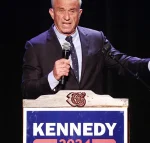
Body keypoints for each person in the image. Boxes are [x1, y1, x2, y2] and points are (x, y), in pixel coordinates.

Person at [22, 0, 150, 99]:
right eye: (61, 10)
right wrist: (53, 77)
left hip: (93, 121)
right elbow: (27, 90)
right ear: (52, 13)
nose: (67, 17)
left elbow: (122, 62)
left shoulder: (96, 39)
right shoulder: (36, 46)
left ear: (80, 13)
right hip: (56, 122)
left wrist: (148, 64)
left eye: (72, 11)